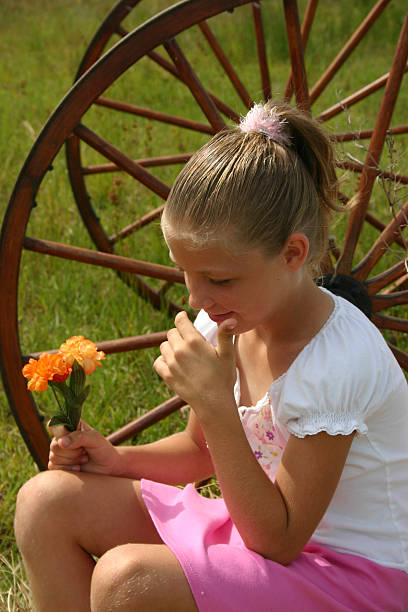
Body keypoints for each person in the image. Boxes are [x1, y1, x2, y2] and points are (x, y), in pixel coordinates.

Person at [14, 101, 408, 612]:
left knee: (126, 580)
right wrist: (117, 459)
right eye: (187, 273)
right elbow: (201, 450)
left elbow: (280, 539)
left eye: (219, 279)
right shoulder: (227, 322)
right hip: (257, 525)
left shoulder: (336, 361)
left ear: (293, 254)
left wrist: (217, 402)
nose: (197, 298)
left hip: (353, 576)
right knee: (45, 502)